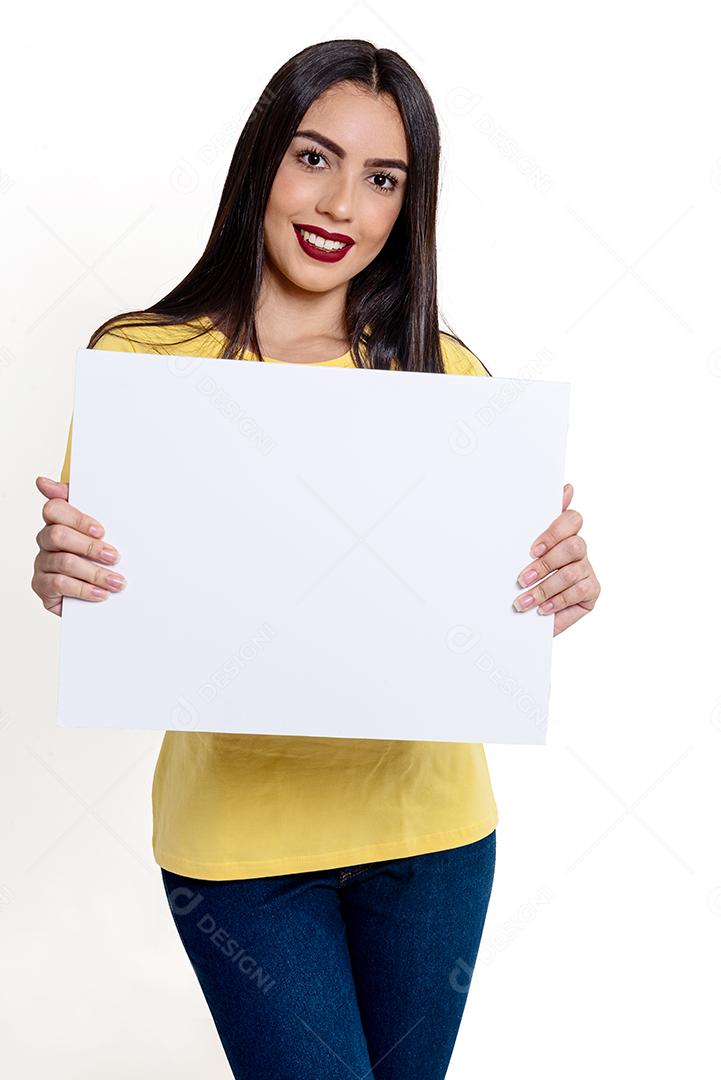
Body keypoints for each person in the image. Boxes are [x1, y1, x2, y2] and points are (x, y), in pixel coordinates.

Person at [32, 39, 601, 1080]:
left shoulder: (446, 374)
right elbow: (108, 591)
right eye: (314, 157)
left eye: (384, 179)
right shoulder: (143, 365)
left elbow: (492, 603)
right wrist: (59, 577)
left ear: (408, 206)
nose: (342, 204)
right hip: (238, 852)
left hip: (431, 838)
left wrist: (559, 582)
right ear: (262, 159)